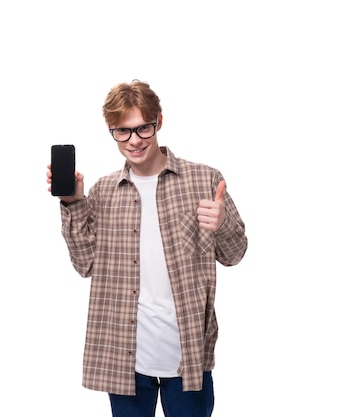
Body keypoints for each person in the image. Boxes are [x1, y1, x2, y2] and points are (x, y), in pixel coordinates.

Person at [46, 80, 248, 417]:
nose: (135, 140)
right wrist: (74, 201)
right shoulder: (105, 191)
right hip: (125, 357)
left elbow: (234, 254)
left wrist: (222, 223)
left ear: (159, 122)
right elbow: (84, 264)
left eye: (143, 128)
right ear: (112, 131)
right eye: (122, 132)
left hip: (188, 356)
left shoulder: (204, 180)